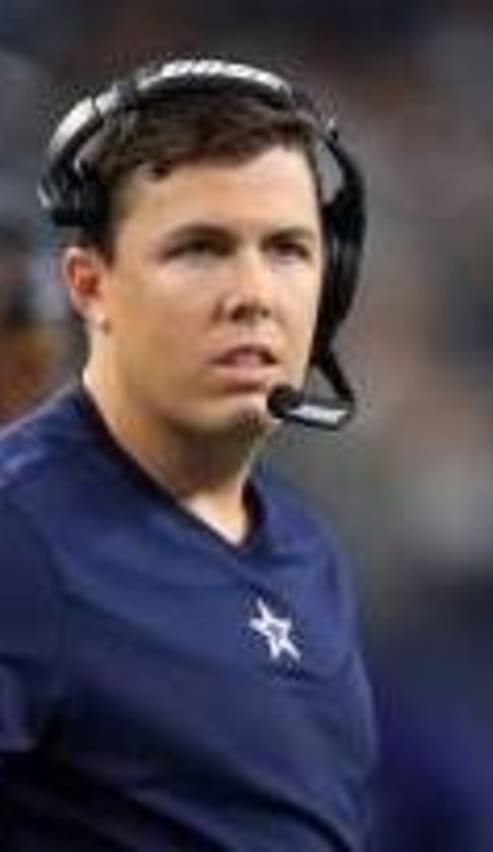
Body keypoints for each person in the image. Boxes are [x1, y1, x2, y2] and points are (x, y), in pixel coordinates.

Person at [0, 57, 375, 849]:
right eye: (201, 249)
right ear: (90, 285)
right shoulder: (17, 536)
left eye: (287, 250)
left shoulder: (309, 550)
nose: (253, 294)